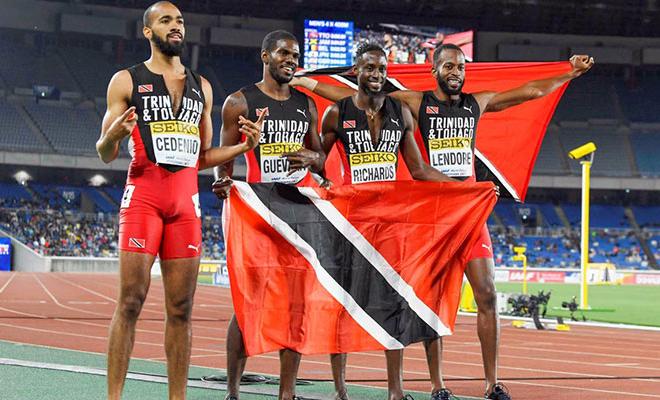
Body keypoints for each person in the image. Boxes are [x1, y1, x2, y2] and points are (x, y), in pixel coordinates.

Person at [292, 44, 594, 400]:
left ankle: (491, 383)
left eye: (461, 67)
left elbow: (526, 93)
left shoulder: (475, 103)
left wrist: (568, 74)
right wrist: (307, 83)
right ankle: (437, 385)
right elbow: (353, 93)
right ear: (434, 71)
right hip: (430, 214)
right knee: (427, 300)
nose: (456, 72)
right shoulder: (416, 103)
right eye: (449, 66)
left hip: (466, 212)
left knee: (487, 294)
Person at [96, 2, 261, 399]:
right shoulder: (126, 81)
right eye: (166, 21)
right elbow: (104, 152)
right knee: (131, 302)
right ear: (149, 31)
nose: (176, 26)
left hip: (185, 205)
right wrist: (114, 136)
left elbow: (202, 157)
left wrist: (243, 147)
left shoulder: (201, 87)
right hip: (143, 200)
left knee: (181, 310)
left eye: (180, 21)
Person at [319, 42, 457, 400]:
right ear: (356, 71)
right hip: (352, 221)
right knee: (343, 302)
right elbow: (319, 161)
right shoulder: (337, 113)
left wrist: (463, 187)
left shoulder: (401, 113)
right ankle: (339, 389)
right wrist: (309, 162)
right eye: (369, 68)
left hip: (393, 223)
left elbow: (419, 169)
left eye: (381, 69)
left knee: (395, 301)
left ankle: (395, 391)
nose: (376, 75)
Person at [210, 30, 327, 400]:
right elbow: (223, 157)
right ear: (265, 56)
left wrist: (312, 159)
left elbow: (322, 158)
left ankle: (286, 393)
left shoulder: (306, 105)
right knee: (250, 301)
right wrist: (222, 184)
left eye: (295, 55)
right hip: (257, 210)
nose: (290, 60)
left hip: (298, 211)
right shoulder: (239, 102)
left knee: (297, 305)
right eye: (283, 53)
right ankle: (232, 391)